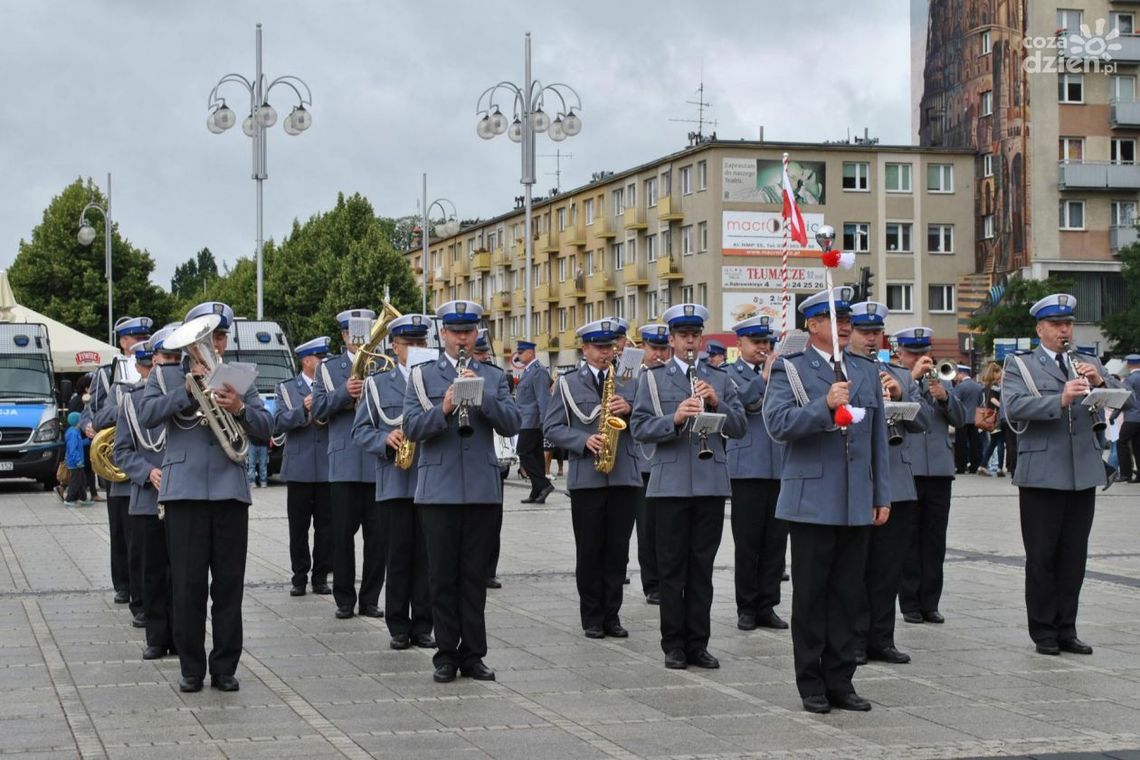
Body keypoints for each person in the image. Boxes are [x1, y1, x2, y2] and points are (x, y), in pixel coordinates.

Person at [762, 286, 890, 714]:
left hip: (856, 499)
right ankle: (811, 682)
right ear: (813, 325)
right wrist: (824, 405)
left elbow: (876, 440)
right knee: (812, 596)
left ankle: (841, 681)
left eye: (847, 318)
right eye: (836, 319)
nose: (846, 326)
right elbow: (777, 424)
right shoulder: (791, 369)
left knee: (848, 595)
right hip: (811, 500)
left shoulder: (865, 369)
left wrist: (880, 493)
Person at [137, 301, 272, 693]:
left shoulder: (239, 377)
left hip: (230, 493)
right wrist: (187, 391)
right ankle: (191, 667)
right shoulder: (163, 377)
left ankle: (225, 666)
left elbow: (267, 427)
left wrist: (241, 408)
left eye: (219, 335)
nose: (214, 342)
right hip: (184, 494)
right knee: (187, 585)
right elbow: (147, 416)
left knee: (229, 586)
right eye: (208, 335)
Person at [1002, 293, 1130, 656]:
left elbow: (1128, 402)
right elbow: (1012, 409)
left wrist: (1101, 383)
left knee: (1074, 556)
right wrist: (1059, 398)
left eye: (1069, 324)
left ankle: (1067, 628)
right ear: (1040, 329)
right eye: (1057, 325)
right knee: (1043, 555)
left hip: (1082, 470)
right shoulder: (1021, 365)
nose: (1064, 330)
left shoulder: (1087, 361)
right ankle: (1043, 630)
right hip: (1042, 472)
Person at [403, 300, 520, 683]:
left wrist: (482, 395)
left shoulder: (493, 374)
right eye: (455, 332)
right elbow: (411, 428)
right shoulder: (421, 376)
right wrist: (447, 406)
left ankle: (473, 654)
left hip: (482, 490)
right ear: (443, 334)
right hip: (438, 490)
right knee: (442, 577)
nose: (462, 339)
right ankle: (445, 654)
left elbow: (512, 423)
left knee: (474, 577)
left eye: (468, 332)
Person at [631, 304, 746, 670]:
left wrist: (717, 402)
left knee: (702, 569)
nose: (690, 342)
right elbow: (639, 429)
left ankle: (699, 642)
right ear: (672, 340)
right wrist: (675, 418)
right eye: (683, 336)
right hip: (670, 485)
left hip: (710, 484)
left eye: (695, 336)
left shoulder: (720, 378)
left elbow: (741, 427)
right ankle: (673, 644)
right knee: (671, 568)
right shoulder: (652, 379)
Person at [543, 319, 639, 639]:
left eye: (610, 347)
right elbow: (552, 427)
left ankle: (612, 614)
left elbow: (651, 424)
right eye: (599, 348)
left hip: (624, 473)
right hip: (587, 476)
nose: (606, 354)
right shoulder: (568, 383)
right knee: (589, 549)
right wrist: (582, 441)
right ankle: (592, 616)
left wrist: (631, 409)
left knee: (618, 550)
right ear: (585, 349)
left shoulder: (629, 380)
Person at [849, 302, 927, 666]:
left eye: (875, 333)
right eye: (864, 332)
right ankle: (855, 639)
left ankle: (883, 637)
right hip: (857, 481)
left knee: (888, 568)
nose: (870, 339)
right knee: (857, 568)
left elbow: (922, 423)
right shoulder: (842, 373)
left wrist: (900, 394)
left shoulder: (899, 373)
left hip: (896, 481)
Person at [352, 314, 436, 651]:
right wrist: (385, 438)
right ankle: (398, 625)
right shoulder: (377, 384)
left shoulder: (436, 380)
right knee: (398, 557)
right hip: (394, 481)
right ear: (395, 347)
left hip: (430, 480)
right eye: (409, 343)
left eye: (421, 343)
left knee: (427, 558)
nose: (415, 349)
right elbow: (360, 431)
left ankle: (424, 625)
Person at [312, 308, 389, 620]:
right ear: (344, 336)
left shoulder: (383, 366)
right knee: (341, 537)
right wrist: (344, 393)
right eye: (352, 333)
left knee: (377, 539)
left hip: (375, 462)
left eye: (364, 332)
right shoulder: (328, 369)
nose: (358, 339)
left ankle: (370, 599)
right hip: (343, 463)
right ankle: (344, 599)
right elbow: (317, 410)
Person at [893, 328, 967, 626]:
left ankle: (930, 602)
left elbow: (962, 419)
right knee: (908, 540)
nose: (922, 359)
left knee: (935, 540)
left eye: (924, 353)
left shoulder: (940, 380)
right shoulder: (896, 379)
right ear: (901, 354)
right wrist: (911, 378)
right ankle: (910, 602)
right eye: (913, 354)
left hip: (938, 469)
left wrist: (946, 396)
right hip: (909, 466)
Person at [113, 328, 176, 660]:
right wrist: (145, 472)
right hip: (145, 500)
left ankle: (180, 636)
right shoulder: (132, 402)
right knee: (149, 573)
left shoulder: (183, 397)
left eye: (171, 361)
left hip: (180, 496)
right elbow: (121, 451)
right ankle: (155, 636)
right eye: (160, 361)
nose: (161, 369)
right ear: (149, 363)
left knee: (180, 573)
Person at [725, 315, 788, 632]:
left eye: (767, 342)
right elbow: (735, 403)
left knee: (776, 544)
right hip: (746, 469)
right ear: (740, 345)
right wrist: (763, 378)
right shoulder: (730, 374)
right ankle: (746, 607)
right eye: (757, 342)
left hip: (779, 467)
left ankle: (768, 605)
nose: (764, 348)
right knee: (748, 544)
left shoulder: (781, 374)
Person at [84, 315, 153, 606]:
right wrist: (86, 425)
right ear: (123, 342)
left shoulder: (159, 370)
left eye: (144, 338)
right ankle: (123, 584)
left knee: (142, 536)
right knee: (121, 530)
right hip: (119, 463)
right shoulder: (107, 373)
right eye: (135, 339)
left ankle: (143, 590)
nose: (140, 343)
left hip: (148, 462)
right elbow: (94, 412)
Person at [273, 337, 334, 597]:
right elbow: (277, 423)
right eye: (320, 359)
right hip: (299, 468)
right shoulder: (287, 389)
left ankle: (321, 577)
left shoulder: (332, 386)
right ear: (307, 361)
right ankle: (299, 576)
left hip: (327, 467)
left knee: (326, 528)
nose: (324, 363)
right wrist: (303, 408)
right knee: (298, 527)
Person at [633, 323, 671, 606]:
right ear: (643, 347)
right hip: (641, 461)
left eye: (662, 348)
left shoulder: (673, 376)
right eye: (653, 348)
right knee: (646, 528)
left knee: (665, 528)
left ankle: (668, 578)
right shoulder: (630, 376)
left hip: (668, 459)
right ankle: (652, 584)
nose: (658, 354)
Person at [473, 329, 505, 589]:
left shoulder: (495, 376)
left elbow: (511, 418)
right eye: (479, 352)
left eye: (485, 352)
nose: (483, 357)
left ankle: (488, 570)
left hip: (490, 459)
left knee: (493, 521)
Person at [515, 339, 554, 504]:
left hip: (532, 422)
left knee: (523, 453)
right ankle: (537, 491)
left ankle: (544, 485)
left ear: (531, 353)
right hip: (526, 420)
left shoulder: (538, 371)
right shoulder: (529, 370)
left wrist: (546, 422)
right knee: (536, 456)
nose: (519, 355)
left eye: (521, 352)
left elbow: (543, 399)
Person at [67, 374, 100, 502]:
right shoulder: (84, 401)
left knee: (82, 473)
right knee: (85, 470)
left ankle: (84, 496)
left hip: (82, 440)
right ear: (87, 388)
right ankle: (77, 496)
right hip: (83, 439)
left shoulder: (74, 400)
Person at [953, 366, 984, 474]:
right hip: (975, 419)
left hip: (962, 419)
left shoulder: (960, 387)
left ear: (962, 374)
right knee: (975, 443)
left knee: (961, 444)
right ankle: (974, 466)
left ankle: (961, 466)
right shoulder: (978, 387)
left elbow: (955, 403)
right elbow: (981, 403)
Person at [1114, 354, 1140, 483]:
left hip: (1132, 417)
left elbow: (1125, 399)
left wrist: (1114, 415)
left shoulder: (1130, 379)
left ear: (1129, 364)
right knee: (1138, 445)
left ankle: (1125, 473)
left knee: (1122, 442)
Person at [979, 362, 1006, 476]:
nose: (1000, 375)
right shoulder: (995, 386)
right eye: (999, 372)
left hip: (988, 416)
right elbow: (993, 400)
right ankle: (999, 468)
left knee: (993, 443)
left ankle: (983, 465)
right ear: (994, 372)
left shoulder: (986, 386)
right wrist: (1003, 407)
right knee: (1000, 441)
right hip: (996, 417)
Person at [63, 412, 90, 506]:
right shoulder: (73, 433)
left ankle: (83, 498)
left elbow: (79, 444)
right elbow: (72, 449)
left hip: (78, 462)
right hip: (75, 463)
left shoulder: (74, 431)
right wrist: (78, 461)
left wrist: (89, 440)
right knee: (75, 482)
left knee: (82, 481)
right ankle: (68, 499)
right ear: (77, 422)